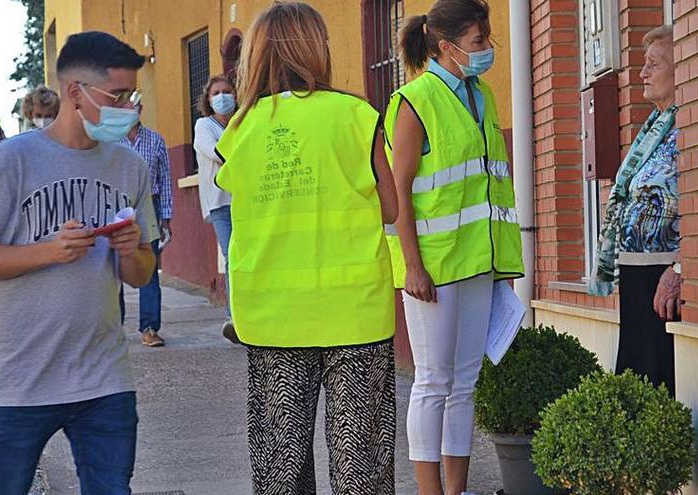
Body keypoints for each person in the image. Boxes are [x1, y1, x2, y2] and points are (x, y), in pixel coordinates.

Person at [214, 2, 399, 493]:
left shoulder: (240, 129)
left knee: (281, 463)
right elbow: (390, 209)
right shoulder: (356, 116)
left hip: (272, 315)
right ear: (317, 49)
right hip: (354, 310)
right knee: (361, 463)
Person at [0, 31, 158, 494]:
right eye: (117, 94)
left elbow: (142, 274)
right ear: (74, 92)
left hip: (104, 378)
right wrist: (49, 251)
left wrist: (132, 249)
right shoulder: (8, 163)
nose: (127, 105)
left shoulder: (129, 167)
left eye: (131, 95)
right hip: (14, 383)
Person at [388, 1, 524, 493]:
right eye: (478, 42)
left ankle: (457, 489)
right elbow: (398, 191)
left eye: (488, 39)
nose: (487, 49)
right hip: (434, 269)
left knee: (465, 383)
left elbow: (491, 186)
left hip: (478, 265)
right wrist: (412, 266)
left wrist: (501, 264)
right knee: (432, 383)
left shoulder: (482, 95)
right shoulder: (414, 101)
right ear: (446, 47)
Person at [588, 25, 681, 395]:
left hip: (664, 280)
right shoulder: (656, 127)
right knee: (636, 381)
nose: (642, 74)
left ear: (681, 70)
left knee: (659, 380)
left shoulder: (688, 127)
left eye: (653, 65)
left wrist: (680, 267)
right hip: (638, 276)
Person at [120, 103, 173, 347]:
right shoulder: (107, 141)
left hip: (148, 204)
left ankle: (150, 328)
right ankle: (113, 329)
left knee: (149, 268)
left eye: (132, 105)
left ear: (140, 109)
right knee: (112, 269)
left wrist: (166, 217)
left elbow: (165, 180)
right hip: (116, 206)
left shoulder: (156, 140)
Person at [194, 74, 236, 343]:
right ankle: (235, 317)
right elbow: (216, 152)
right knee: (232, 255)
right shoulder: (203, 125)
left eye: (227, 91)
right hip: (221, 202)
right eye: (216, 93)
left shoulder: (241, 122)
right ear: (208, 100)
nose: (222, 96)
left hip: (247, 200)